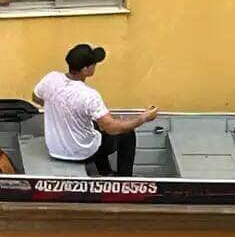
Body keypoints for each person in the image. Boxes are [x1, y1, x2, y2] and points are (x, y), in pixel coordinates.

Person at [32, 44, 158, 177]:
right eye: (93, 64)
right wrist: (143, 118)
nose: (95, 66)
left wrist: (60, 107)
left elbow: (36, 97)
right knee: (126, 134)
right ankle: (125, 178)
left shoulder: (51, 78)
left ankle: (105, 172)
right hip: (82, 154)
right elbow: (112, 128)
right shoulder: (89, 95)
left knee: (96, 126)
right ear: (85, 69)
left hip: (55, 149)